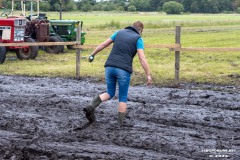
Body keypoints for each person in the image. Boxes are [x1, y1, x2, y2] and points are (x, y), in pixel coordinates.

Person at [83, 21, 152, 125]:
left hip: (109, 67)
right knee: (123, 97)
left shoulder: (118, 32)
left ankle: (91, 105)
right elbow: (142, 58)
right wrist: (148, 75)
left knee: (110, 93)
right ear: (140, 30)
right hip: (123, 70)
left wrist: (92, 54)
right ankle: (120, 123)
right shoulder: (138, 39)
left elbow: (103, 44)